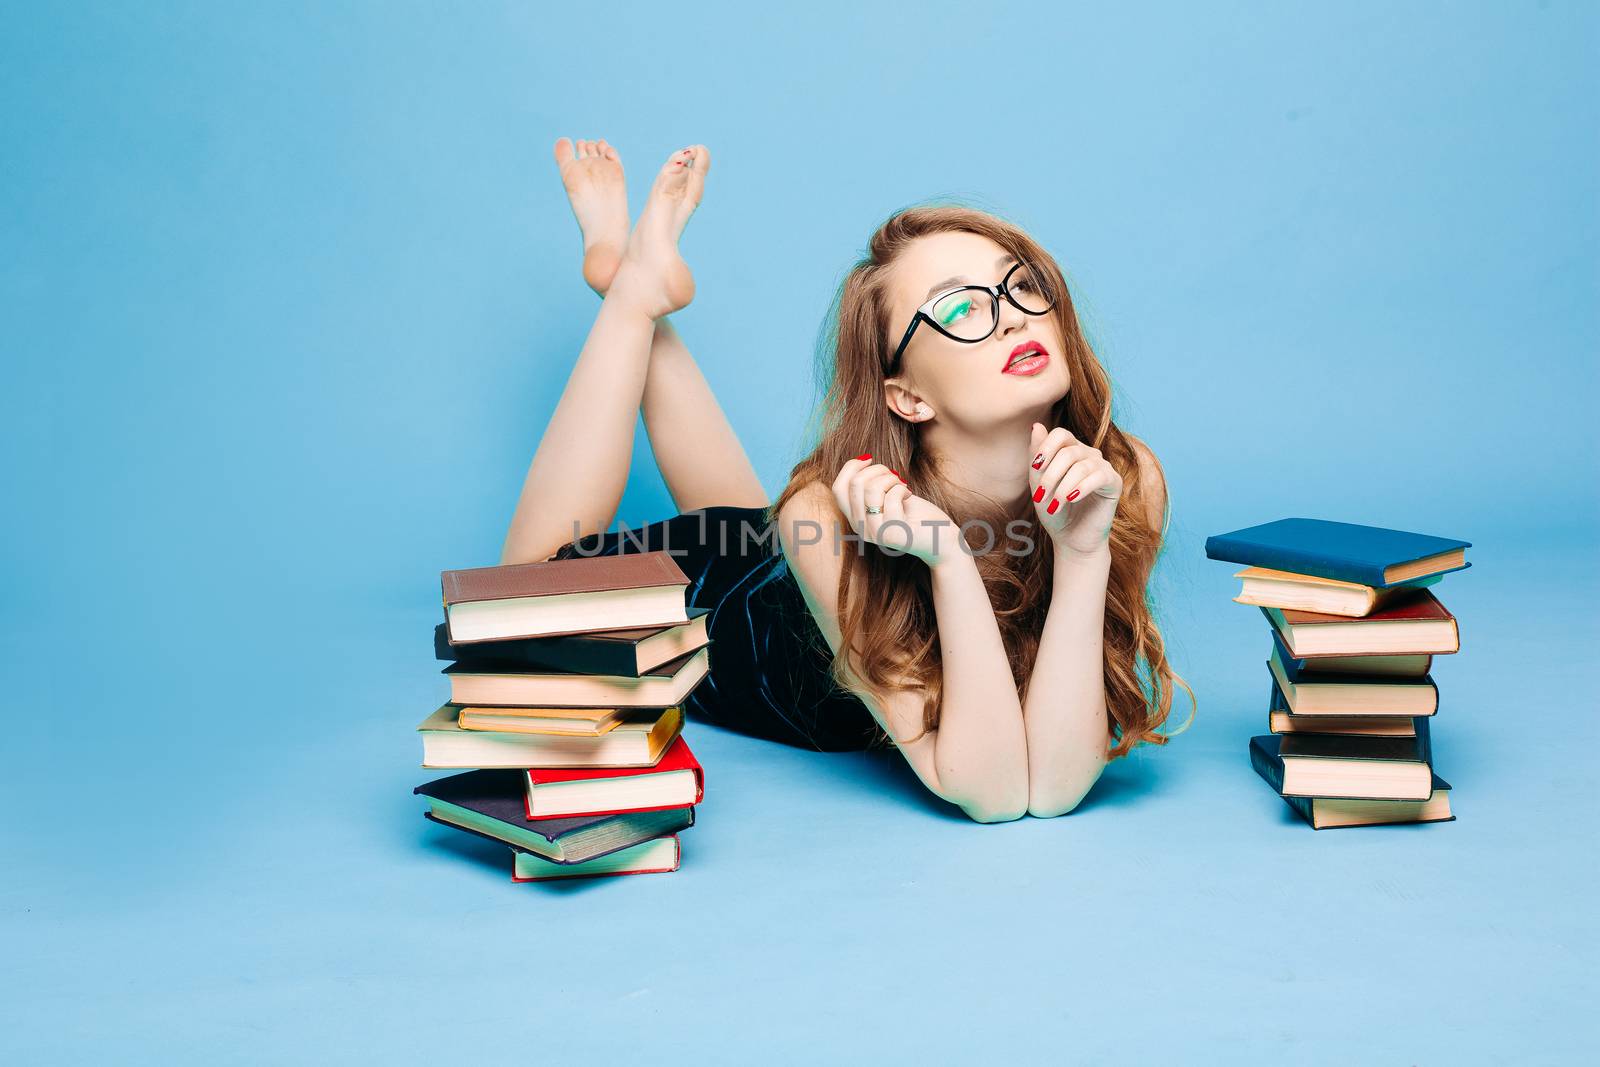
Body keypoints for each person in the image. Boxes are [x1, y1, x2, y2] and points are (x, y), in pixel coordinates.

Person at [499, 137, 1194, 823]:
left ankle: (634, 279)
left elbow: (1049, 788)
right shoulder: (827, 514)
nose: (1011, 313)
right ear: (908, 396)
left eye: (1021, 284)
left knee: (758, 523)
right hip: (725, 614)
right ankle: (629, 297)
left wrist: (1081, 553)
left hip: (786, 552)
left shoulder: (1124, 481)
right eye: (960, 308)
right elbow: (993, 794)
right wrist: (948, 558)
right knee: (515, 598)